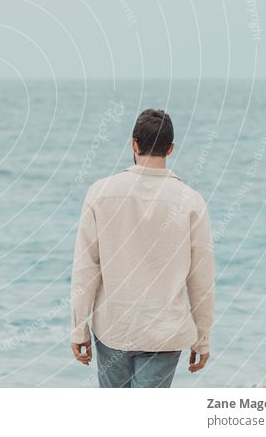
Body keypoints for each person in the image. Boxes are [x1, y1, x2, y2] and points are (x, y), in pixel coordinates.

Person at [69, 108, 214, 387]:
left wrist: (78, 328)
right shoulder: (191, 202)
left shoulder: (100, 193)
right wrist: (203, 337)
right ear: (170, 149)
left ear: (134, 144)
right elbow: (201, 279)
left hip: (112, 327)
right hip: (164, 332)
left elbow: (86, 267)